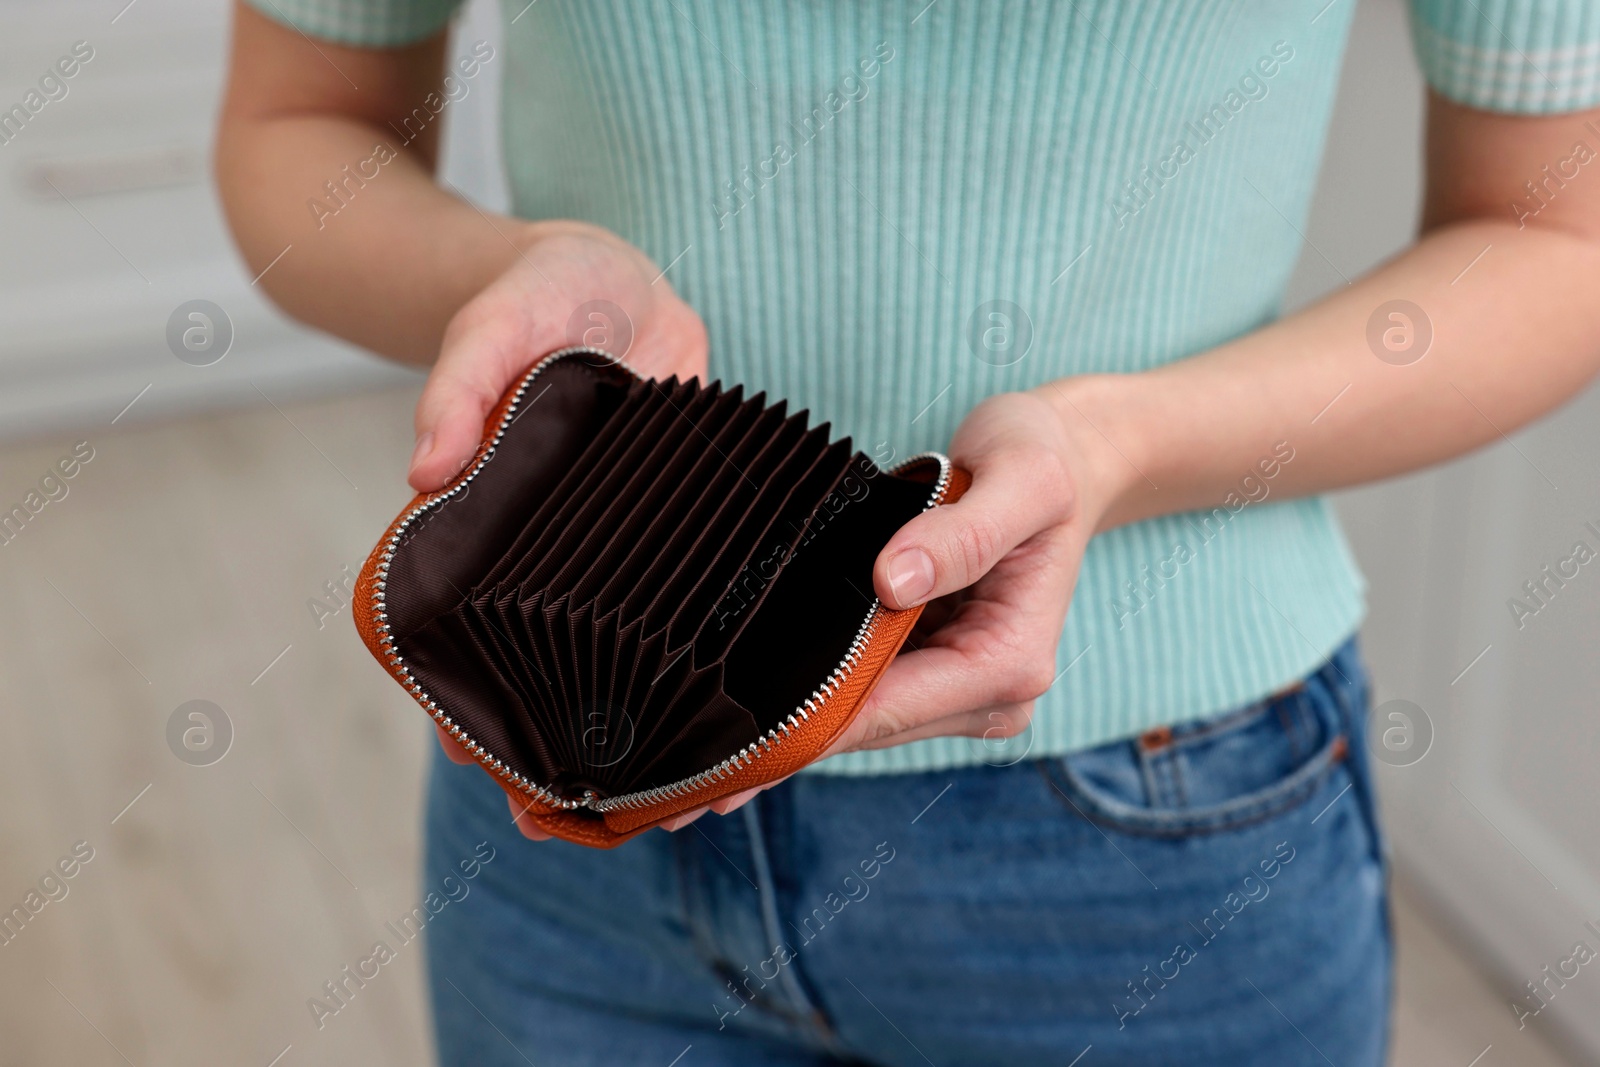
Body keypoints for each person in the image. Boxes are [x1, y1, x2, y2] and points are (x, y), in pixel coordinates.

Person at [216, 2, 1600, 1063]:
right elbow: (300, 127)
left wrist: (1118, 445)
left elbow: (1557, 238)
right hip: (564, 788)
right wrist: (504, 278)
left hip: (1152, 837)